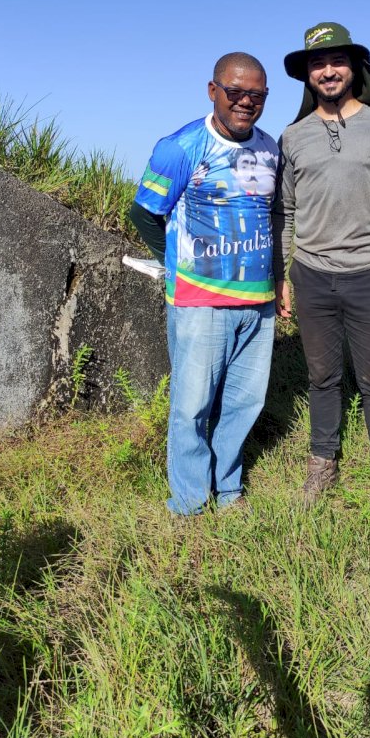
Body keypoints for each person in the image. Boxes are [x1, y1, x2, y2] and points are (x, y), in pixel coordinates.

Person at [272, 23, 370, 515]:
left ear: (354, 69)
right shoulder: (292, 138)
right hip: (311, 276)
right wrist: (282, 274)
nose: (328, 71)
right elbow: (286, 213)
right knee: (323, 377)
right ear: (308, 75)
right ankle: (322, 465)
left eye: (337, 62)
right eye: (318, 63)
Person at [130, 53, 278, 515]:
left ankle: (229, 489)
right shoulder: (181, 147)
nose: (245, 103)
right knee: (191, 407)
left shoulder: (271, 148)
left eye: (257, 95)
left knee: (243, 405)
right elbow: (144, 213)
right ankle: (191, 503)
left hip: (258, 303)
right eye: (235, 92)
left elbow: (273, 216)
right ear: (213, 91)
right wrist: (172, 264)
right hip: (199, 303)